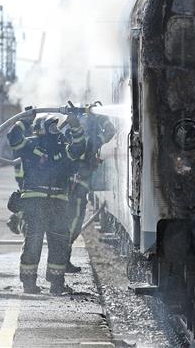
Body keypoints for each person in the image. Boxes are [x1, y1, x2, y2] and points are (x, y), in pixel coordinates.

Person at [16, 113, 86, 295]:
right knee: (33, 242)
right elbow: (14, 138)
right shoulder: (30, 144)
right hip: (35, 202)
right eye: (52, 126)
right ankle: (29, 283)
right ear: (40, 127)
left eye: (57, 127)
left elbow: (79, 148)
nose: (56, 130)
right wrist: (24, 119)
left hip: (58, 202)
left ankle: (56, 283)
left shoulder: (63, 147)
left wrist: (75, 126)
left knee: (59, 242)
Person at [65, 112, 116, 272]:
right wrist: (102, 118)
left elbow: (111, 134)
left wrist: (101, 118)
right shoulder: (84, 139)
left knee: (73, 224)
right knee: (72, 224)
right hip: (75, 188)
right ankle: (62, 259)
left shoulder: (86, 137)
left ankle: (63, 259)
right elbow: (109, 132)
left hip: (76, 187)